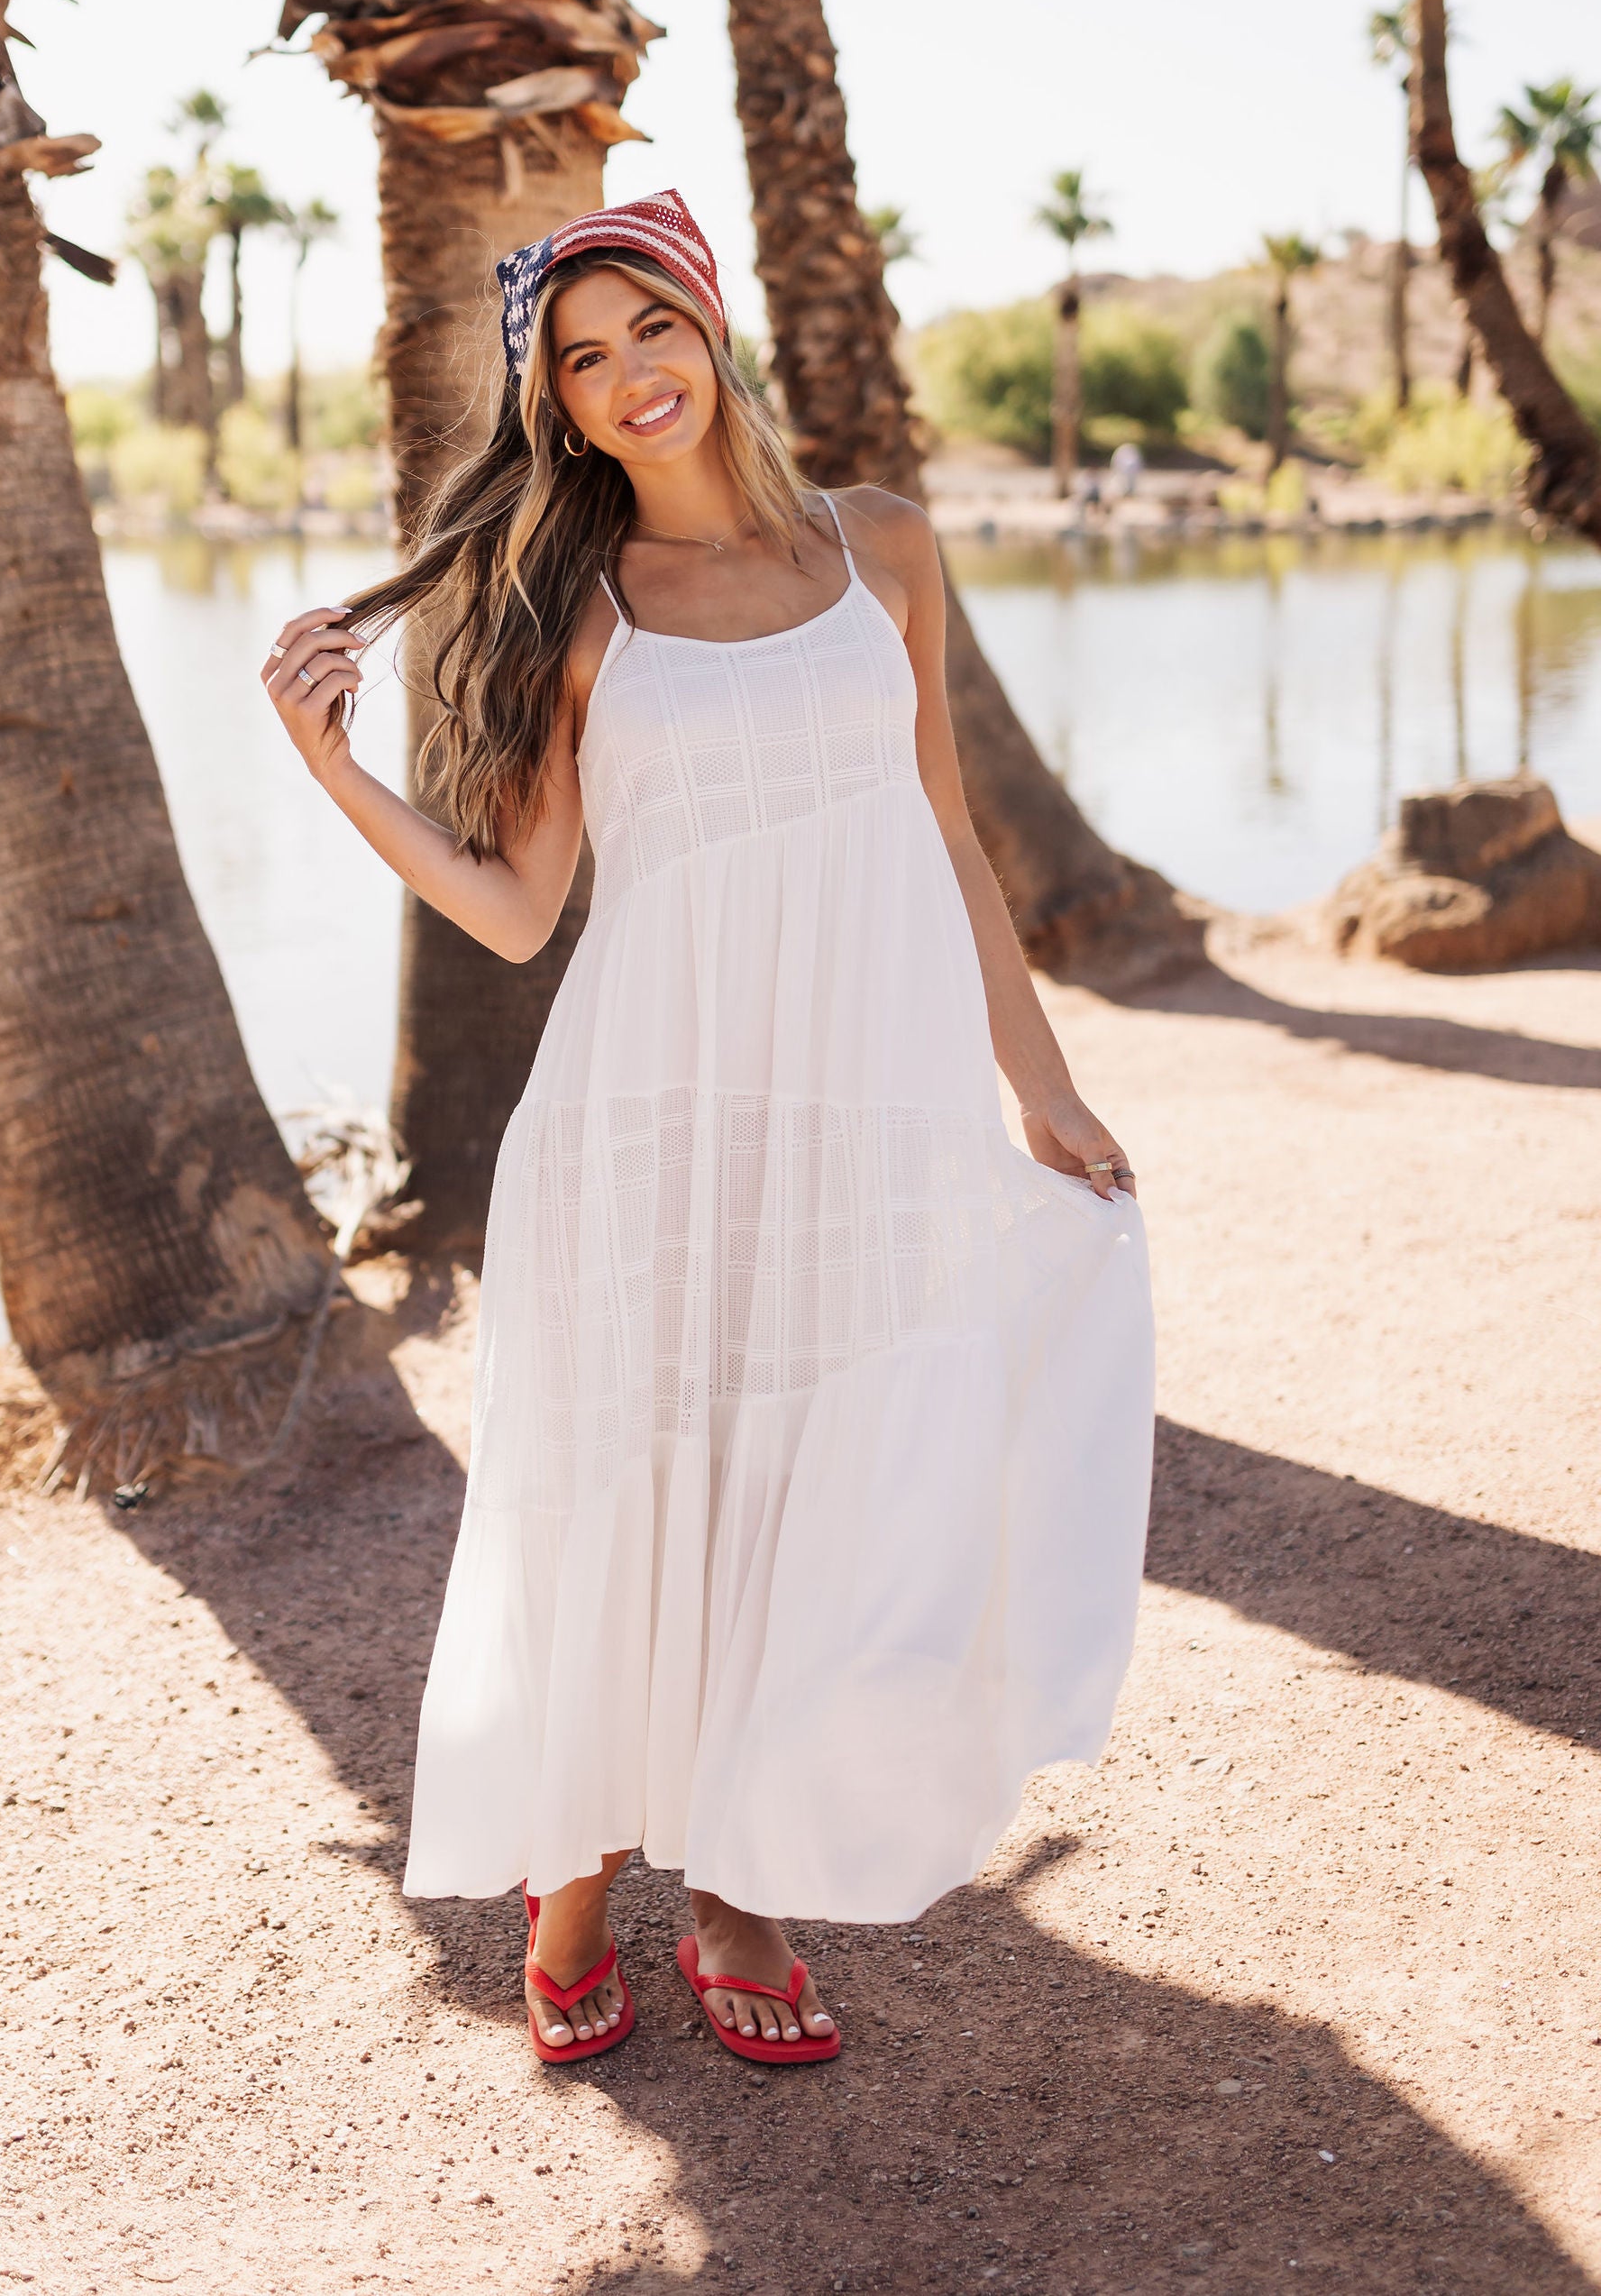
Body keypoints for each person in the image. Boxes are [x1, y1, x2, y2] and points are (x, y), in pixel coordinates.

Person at [261, 191, 1153, 2069]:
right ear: (557, 409)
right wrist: (331, 765)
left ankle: (740, 1878)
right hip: (644, 1120)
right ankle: (573, 1870)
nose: (620, 379)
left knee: (818, 1477)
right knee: (625, 1480)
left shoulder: (882, 550)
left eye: (641, 332)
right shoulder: (574, 613)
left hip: (864, 1106)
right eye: (576, 362)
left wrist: (1039, 1081)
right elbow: (513, 907)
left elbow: (946, 834)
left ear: (708, 326)